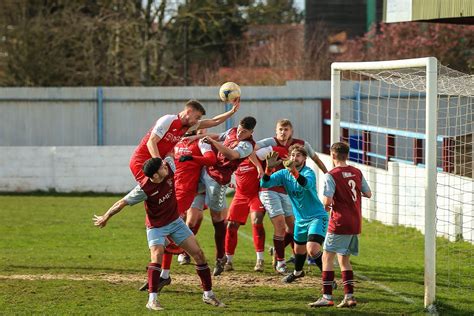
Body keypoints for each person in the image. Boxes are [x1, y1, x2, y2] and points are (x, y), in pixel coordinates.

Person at [93, 157, 225, 311]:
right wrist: (106, 216)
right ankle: (152, 300)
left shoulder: (168, 167)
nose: (166, 167)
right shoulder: (144, 189)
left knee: (199, 255)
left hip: (176, 223)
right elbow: (122, 202)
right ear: (155, 175)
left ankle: (208, 295)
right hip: (156, 227)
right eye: (162, 167)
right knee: (157, 255)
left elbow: (168, 155)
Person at [256, 119, 328, 273]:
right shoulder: (283, 173)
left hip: (316, 216)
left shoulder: (308, 172)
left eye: (299, 156)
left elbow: (305, 184)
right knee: (299, 251)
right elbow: (265, 184)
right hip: (301, 219)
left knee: (312, 249)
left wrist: (295, 172)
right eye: (293, 155)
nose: (295, 158)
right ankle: (297, 273)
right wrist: (268, 169)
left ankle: (328, 278)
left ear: (304, 159)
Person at [309, 142, 372, 308]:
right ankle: (349, 297)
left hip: (340, 222)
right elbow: (368, 193)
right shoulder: (357, 172)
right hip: (355, 222)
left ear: (333, 155)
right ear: (347, 155)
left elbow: (327, 200)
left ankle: (327, 296)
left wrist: (326, 205)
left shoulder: (331, 175)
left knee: (327, 257)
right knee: (344, 259)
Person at [129, 98, 239, 185]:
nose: (197, 121)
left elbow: (214, 121)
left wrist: (232, 111)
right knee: (154, 195)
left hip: (156, 165)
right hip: (141, 162)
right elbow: (151, 142)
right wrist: (160, 163)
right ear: (189, 111)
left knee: (162, 197)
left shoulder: (186, 127)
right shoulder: (168, 120)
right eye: (197, 117)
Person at [200, 116, 257, 276]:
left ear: (251, 132)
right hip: (205, 171)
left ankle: (220, 257)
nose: (239, 133)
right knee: (189, 208)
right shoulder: (232, 131)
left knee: (216, 219)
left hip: (218, 181)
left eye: (244, 131)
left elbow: (232, 155)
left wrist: (213, 144)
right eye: (239, 129)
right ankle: (178, 249)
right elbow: (218, 136)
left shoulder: (247, 145)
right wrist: (195, 137)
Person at [223, 152, 266, 272]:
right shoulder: (233, 159)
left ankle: (260, 260)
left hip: (255, 195)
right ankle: (228, 260)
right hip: (240, 196)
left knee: (257, 221)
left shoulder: (258, 156)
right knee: (231, 226)